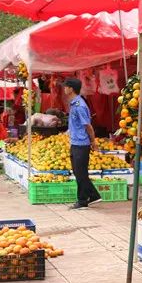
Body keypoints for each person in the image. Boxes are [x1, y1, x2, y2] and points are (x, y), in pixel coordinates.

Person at [62, 78, 101, 209]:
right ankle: (94, 195)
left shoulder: (80, 106)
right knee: (78, 172)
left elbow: (88, 126)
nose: (64, 89)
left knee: (80, 173)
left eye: (66, 86)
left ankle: (82, 200)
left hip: (81, 144)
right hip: (75, 143)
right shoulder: (74, 104)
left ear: (71, 88)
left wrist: (93, 142)